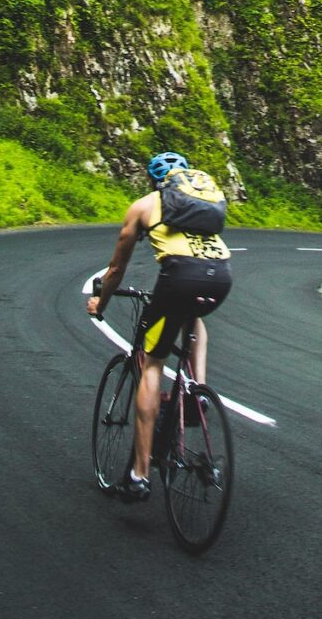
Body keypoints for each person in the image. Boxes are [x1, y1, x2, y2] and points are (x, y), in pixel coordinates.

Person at [86, 151, 232, 503]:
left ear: (154, 181)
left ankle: (138, 476)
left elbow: (116, 270)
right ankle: (197, 390)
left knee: (152, 363)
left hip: (180, 278)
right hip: (221, 277)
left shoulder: (144, 205)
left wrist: (99, 304)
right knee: (191, 316)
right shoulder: (199, 206)